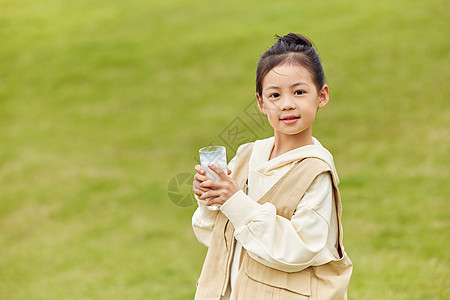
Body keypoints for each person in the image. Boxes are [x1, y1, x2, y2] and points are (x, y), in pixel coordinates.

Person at [192, 33, 352, 300]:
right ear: (261, 103)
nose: (287, 103)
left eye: (299, 92)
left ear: (321, 96)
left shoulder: (315, 170)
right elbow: (218, 236)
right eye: (275, 94)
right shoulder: (248, 155)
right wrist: (211, 197)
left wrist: (235, 200)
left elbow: (299, 249)